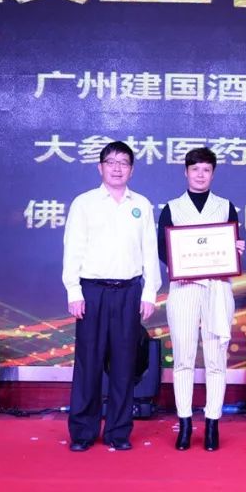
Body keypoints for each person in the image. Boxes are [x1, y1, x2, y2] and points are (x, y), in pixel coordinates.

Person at [62, 140, 159, 452]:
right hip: (92, 291)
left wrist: (149, 292)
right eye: (111, 162)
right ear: (100, 167)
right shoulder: (84, 203)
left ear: (132, 170)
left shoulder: (141, 204)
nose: (117, 168)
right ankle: (83, 432)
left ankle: (118, 431)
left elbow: (149, 250)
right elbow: (73, 249)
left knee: (123, 364)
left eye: (124, 163)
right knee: (88, 363)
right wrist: (74, 290)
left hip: (129, 291)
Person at [158, 147, 246, 451]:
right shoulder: (172, 208)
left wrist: (234, 249)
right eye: (195, 169)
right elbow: (163, 249)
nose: (200, 174)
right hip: (183, 288)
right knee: (183, 358)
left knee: (215, 359)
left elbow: (231, 246)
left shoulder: (225, 207)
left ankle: (212, 423)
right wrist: (180, 266)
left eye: (206, 169)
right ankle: (184, 423)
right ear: (186, 172)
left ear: (213, 173)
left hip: (217, 289)